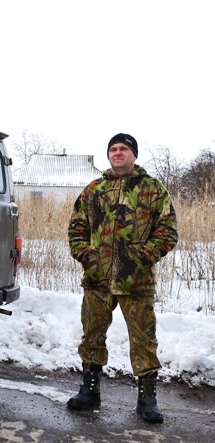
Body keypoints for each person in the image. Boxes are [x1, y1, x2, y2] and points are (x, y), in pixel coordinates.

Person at [67, 133, 178, 423]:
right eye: (113, 149)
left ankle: (147, 399)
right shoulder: (94, 189)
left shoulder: (152, 189)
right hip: (98, 281)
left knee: (144, 341)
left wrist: (141, 258)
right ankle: (89, 392)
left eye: (124, 149)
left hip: (136, 282)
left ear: (134, 155)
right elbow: (76, 228)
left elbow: (168, 232)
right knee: (91, 335)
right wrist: (87, 257)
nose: (118, 153)